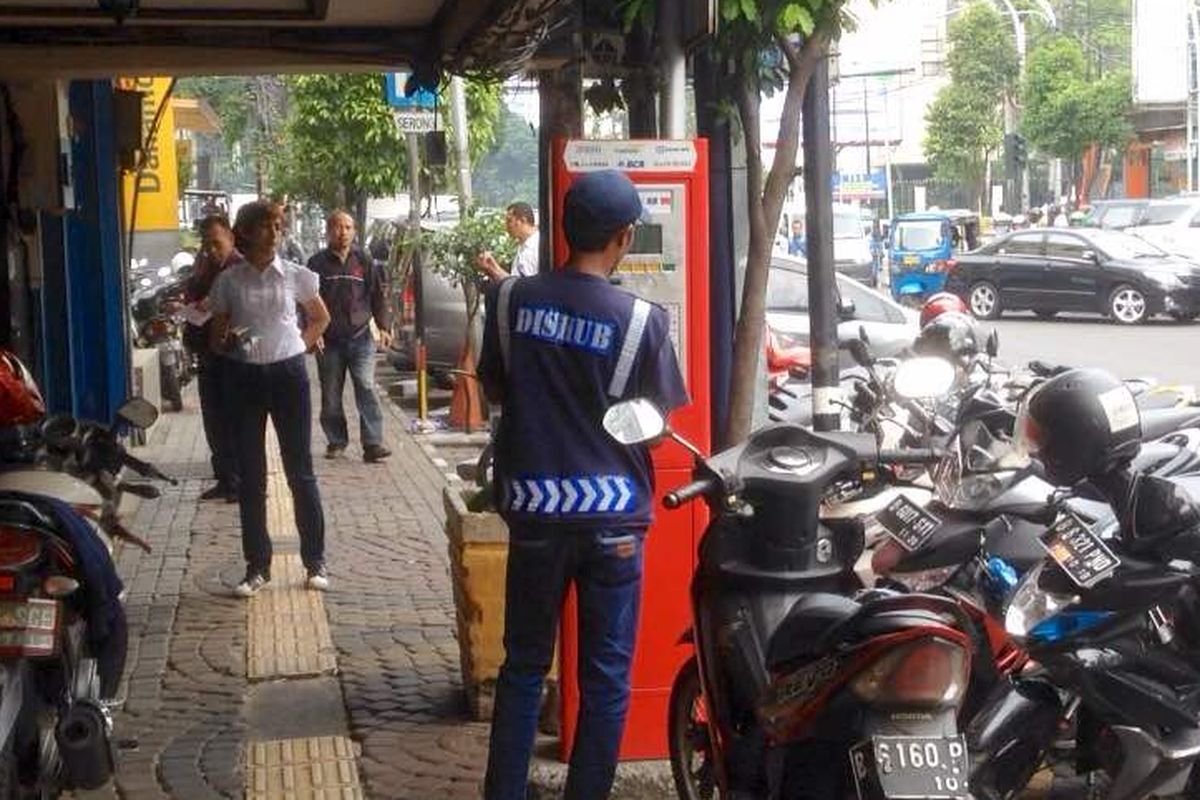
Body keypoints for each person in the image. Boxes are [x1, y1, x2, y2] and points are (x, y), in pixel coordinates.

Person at [478, 170, 689, 800]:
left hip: (534, 513)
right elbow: (655, 428)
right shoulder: (642, 320)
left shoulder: (510, 299)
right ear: (625, 237)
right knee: (605, 679)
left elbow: (494, 387)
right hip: (614, 522)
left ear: (562, 227)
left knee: (521, 667)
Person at [208, 200, 332, 598]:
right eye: (266, 226)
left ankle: (315, 561)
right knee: (251, 476)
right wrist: (228, 342)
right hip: (243, 377)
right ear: (244, 232)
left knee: (301, 471)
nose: (275, 232)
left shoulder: (297, 276)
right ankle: (257, 566)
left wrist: (301, 346)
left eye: (279, 225)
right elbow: (216, 337)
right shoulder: (229, 282)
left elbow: (320, 317)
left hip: (289, 375)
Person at [307, 210, 393, 463]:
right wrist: (312, 333)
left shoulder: (363, 260)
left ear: (354, 231)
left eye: (347, 227)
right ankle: (336, 441)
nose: (342, 232)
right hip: (329, 340)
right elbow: (308, 301)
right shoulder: (316, 264)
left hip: (361, 337)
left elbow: (377, 295)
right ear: (328, 231)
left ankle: (373, 443)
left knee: (366, 387)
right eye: (337, 227)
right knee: (331, 392)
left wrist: (384, 326)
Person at [184, 214, 241, 501]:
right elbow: (193, 297)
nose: (211, 250)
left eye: (216, 243)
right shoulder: (204, 267)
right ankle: (224, 478)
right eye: (206, 244)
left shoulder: (241, 270)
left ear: (230, 239)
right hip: (208, 354)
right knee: (214, 420)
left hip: (233, 356)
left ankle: (238, 480)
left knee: (234, 421)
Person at [476, 201, 540, 280]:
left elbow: (524, 287)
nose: (506, 226)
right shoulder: (524, 246)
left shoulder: (534, 248)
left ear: (523, 220)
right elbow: (515, 282)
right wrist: (492, 267)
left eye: (509, 221)